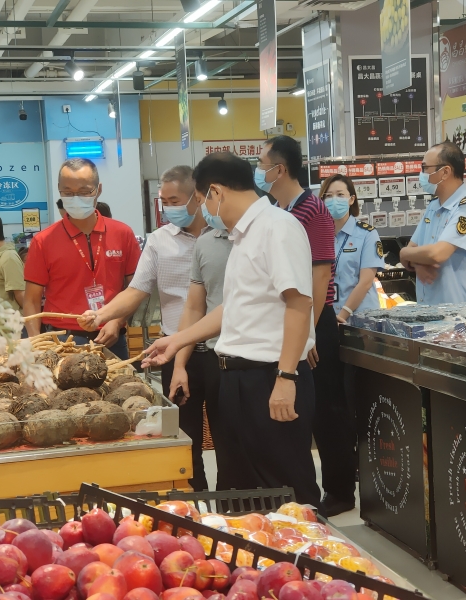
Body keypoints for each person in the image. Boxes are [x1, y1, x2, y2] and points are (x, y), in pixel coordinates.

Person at [136, 152, 322, 508]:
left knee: (286, 489)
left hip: (270, 377)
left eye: (203, 199)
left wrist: (286, 377)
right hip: (236, 380)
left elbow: (299, 304)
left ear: (216, 192)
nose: (204, 208)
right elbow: (231, 308)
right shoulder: (240, 237)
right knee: (241, 490)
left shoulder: (277, 228)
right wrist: (176, 341)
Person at [77, 165, 211, 490]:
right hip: (173, 351)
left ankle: (234, 504)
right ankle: (194, 501)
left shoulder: (222, 236)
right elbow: (137, 290)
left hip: (221, 351)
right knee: (184, 437)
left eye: (175, 201)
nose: (168, 208)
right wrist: (103, 314)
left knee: (232, 434)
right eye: (164, 201)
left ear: (197, 197)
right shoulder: (159, 241)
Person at [257, 136, 346, 515]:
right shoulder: (278, 209)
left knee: (325, 410)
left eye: (262, 164)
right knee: (302, 410)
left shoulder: (313, 210)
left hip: (315, 320)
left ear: (280, 169)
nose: (258, 171)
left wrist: (308, 333)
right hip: (292, 319)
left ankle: (340, 491)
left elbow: (320, 275)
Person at [24, 158, 141, 359]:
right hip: (62, 342)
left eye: (84, 191)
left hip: (111, 339)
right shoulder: (43, 241)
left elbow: (135, 289)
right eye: (68, 192)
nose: (76, 198)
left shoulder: (122, 233)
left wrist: (117, 321)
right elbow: (31, 300)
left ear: (98, 189)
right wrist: (37, 347)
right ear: (59, 190)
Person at [169, 197, 232, 489]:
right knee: (189, 436)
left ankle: (233, 501)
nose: (204, 205)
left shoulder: (262, 236)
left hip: (242, 359)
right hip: (207, 353)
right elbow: (195, 307)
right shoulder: (205, 244)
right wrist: (179, 364)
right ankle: (202, 502)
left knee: (231, 441)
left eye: (207, 197)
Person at [399, 142, 466, 305]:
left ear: (445, 172)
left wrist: (404, 254)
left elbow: (437, 254)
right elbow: (413, 247)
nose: (422, 174)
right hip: (429, 308)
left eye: (425, 168)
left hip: (459, 313)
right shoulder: (433, 206)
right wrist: (418, 263)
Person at [320, 174, 384, 320]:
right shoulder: (318, 235)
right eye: (328, 196)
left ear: (351, 199)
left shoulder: (367, 234)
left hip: (362, 318)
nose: (334, 200)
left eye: (340, 194)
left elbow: (365, 282)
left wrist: (342, 315)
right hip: (328, 316)